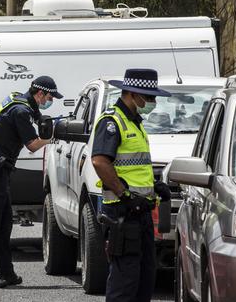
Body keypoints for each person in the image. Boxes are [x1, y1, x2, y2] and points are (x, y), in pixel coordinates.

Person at [91, 69, 172, 302]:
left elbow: (135, 166)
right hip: (122, 213)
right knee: (125, 283)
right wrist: (124, 195)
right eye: (149, 97)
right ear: (133, 93)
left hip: (141, 212)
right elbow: (99, 161)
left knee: (145, 279)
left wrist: (154, 186)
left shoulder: (135, 122)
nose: (152, 102)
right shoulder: (113, 122)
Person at [0, 76, 61, 288]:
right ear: (40, 94)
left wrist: (49, 122)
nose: (50, 101)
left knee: (4, 227)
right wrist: (53, 134)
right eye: (50, 97)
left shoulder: (21, 101)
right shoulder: (21, 112)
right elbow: (32, 145)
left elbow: (38, 119)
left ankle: (6, 273)